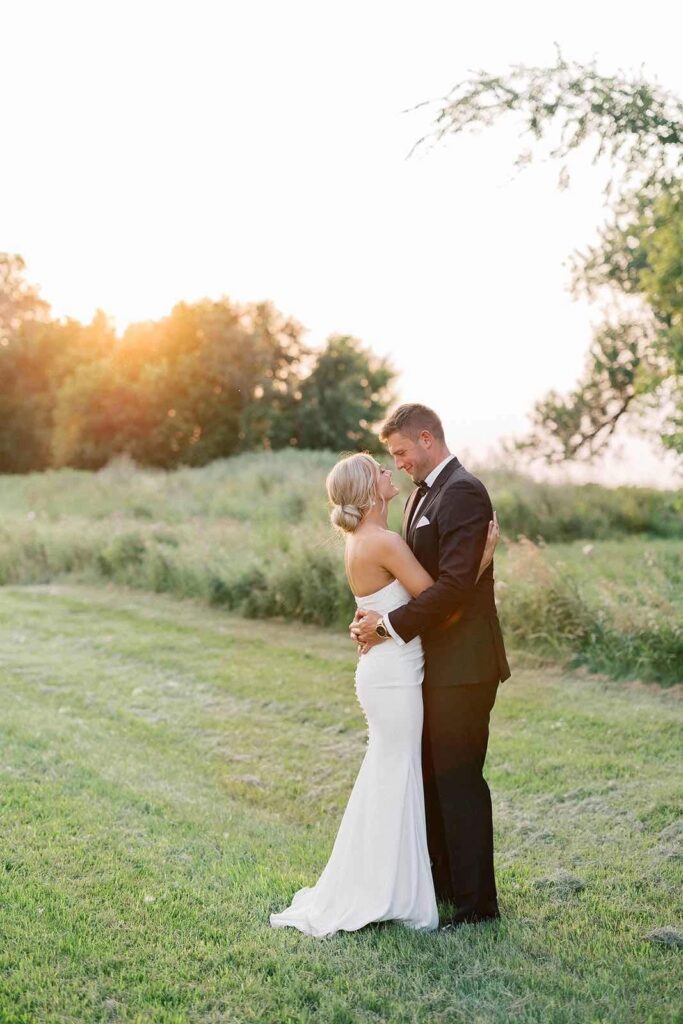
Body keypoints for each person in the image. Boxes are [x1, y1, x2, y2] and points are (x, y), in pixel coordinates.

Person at [269, 450, 498, 938]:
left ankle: (390, 882)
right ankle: (388, 889)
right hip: (394, 675)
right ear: (369, 490)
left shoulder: (360, 541)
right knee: (397, 776)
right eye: (379, 469)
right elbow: (437, 598)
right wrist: (479, 562)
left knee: (392, 775)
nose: (388, 471)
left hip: (386, 670)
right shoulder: (386, 541)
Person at [350, 404, 511, 929]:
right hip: (428, 662)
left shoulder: (462, 490)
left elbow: (455, 586)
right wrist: (372, 615)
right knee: (432, 777)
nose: (397, 464)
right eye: (391, 457)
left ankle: (477, 906)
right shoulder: (421, 494)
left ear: (426, 438)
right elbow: (426, 579)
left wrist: (387, 626)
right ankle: (442, 885)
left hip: (464, 662)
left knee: (460, 779)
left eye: (400, 452)